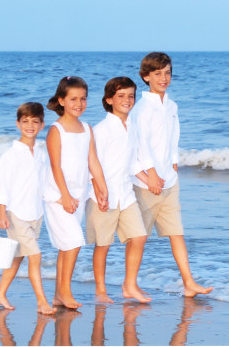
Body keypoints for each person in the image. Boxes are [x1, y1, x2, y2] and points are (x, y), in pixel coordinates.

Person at [131, 52, 213, 298]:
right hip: (147, 180)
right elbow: (140, 144)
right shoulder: (142, 108)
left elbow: (173, 138)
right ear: (146, 77)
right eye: (157, 74)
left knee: (176, 232)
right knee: (139, 237)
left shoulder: (172, 106)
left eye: (167, 72)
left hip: (169, 178)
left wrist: (174, 164)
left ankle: (189, 283)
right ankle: (130, 285)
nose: (164, 78)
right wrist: (153, 174)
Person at [44, 76, 108, 309]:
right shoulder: (56, 130)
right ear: (61, 100)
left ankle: (58, 295)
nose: (78, 103)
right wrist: (65, 195)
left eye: (83, 99)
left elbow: (93, 161)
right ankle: (66, 293)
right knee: (73, 242)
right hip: (58, 196)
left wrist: (103, 189)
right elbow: (55, 166)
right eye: (73, 99)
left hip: (79, 195)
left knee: (66, 245)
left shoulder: (87, 129)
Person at [86, 77, 151, 304]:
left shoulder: (132, 127)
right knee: (103, 244)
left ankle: (129, 285)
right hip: (103, 196)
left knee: (139, 236)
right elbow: (91, 165)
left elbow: (132, 163)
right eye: (121, 96)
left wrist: (149, 180)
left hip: (126, 194)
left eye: (131, 96)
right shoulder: (100, 130)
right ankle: (101, 291)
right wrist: (100, 192)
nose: (127, 100)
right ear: (109, 99)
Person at [0, 102, 56, 315]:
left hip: (35, 213)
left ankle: (0, 293)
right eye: (25, 121)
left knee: (18, 256)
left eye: (35, 122)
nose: (30, 125)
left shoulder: (40, 153)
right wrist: (2, 212)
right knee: (35, 256)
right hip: (16, 213)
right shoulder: (10, 156)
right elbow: (2, 186)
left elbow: (46, 183)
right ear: (18, 124)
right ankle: (41, 302)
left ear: (42, 125)